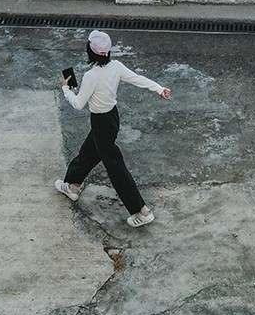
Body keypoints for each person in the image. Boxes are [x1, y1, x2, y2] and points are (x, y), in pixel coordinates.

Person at [54, 29, 171, 228]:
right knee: (90, 151)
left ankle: (142, 211)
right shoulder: (116, 67)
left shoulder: (91, 76)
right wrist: (159, 88)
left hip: (100, 122)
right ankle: (72, 185)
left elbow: (78, 103)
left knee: (115, 167)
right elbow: (137, 78)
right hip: (112, 119)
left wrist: (65, 88)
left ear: (89, 52)